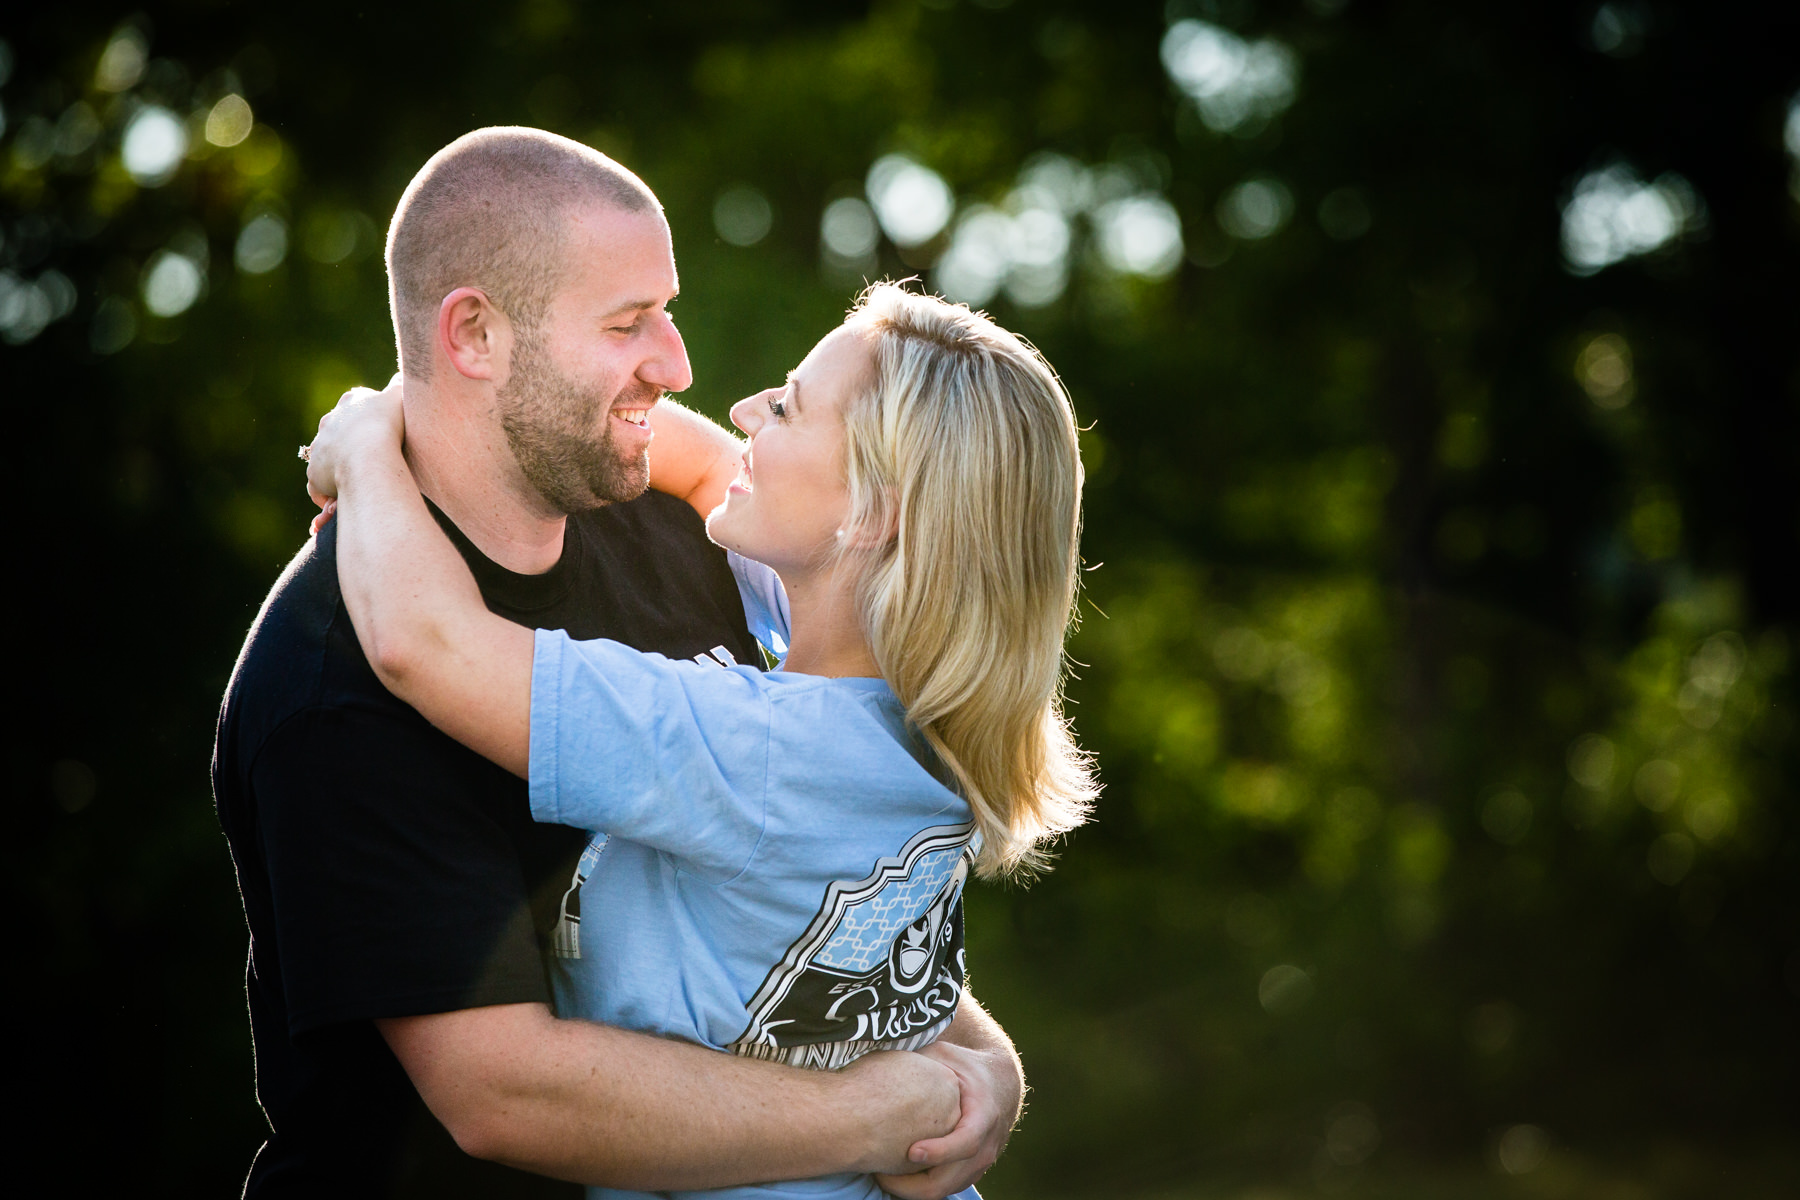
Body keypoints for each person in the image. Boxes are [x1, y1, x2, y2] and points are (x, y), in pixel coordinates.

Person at [212, 127, 1023, 1199]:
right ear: (476, 334)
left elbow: (814, 894)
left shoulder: (696, 544)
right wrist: (884, 1112)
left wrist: (982, 1064)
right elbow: (505, 1094)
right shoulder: (339, 681)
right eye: (629, 321)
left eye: (669, 311)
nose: (683, 367)